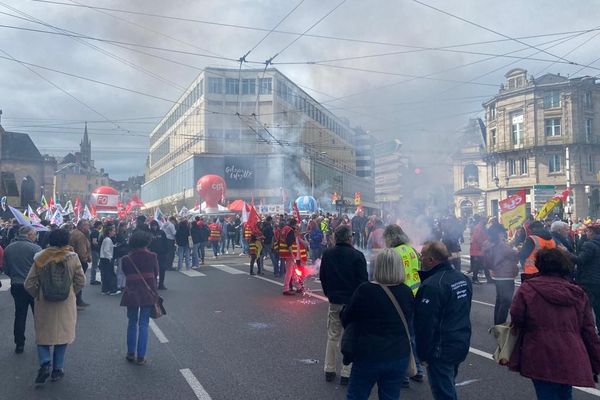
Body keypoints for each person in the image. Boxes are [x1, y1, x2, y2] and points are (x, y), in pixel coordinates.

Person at [509, 248, 600, 399]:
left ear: (540, 265)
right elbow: (589, 331)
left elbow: (517, 318)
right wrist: (595, 361)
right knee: (565, 393)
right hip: (571, 351)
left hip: (539, 350)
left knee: (546, 394)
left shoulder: (528, 289)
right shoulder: (577, 293)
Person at [341, 248, 414, 399]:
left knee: (356, 395)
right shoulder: (406, 291)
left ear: (377, 267)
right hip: (398, 354)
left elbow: (347, 318)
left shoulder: (365, 290)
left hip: (368, 354)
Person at [24, 228, 86, 385]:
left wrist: (38, 295)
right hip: (66, 302)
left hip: (44, 302)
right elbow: (81, 280)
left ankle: (45, 362)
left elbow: (29, 283)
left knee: (43, 335)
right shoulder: (72, 257)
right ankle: (57, 369)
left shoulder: (41, 257)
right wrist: (71, 292)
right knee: (63, 336)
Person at [414, 241, 472, 400]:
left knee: (444, 393)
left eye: (423, 257)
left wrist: (423, 354)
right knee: (448, 384)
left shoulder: (432, 285)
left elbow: (425, 324)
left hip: (441, 349)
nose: (421, 260)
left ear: (431, 260)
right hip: (460, 342)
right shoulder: (463, 279)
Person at [320, 225, 368, 386]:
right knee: (351, 336)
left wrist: (329, 294)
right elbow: (363, 283)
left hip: (335, 300)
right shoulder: (357, 255)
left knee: (333, 335)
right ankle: (346, 373)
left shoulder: (328, 254)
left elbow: (323, 278)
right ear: (349, 238)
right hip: (352, 302)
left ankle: (329, 369)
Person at [383, 224, 424, 386]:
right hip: (417, 295)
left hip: (400, 297)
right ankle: (418, 370)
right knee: (413, 336)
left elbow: (389, 278)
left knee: (400, 337)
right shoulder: (412, 250)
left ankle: (404, 375)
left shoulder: (392, 254)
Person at [120, 230, 159, 366]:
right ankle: (141, 356)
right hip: (148, 292)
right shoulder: (152, 256)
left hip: (131, 292)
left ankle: (130, 353)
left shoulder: (126, 258)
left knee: (132, 322)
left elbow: (125, 273)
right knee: (144, 323)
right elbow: (156, 273)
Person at [3, 225, 42, 353]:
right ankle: (42, 340)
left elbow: (6, 268)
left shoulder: (8, 248)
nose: (36, 237)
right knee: (39, 315)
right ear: (29, 235)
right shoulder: (36, 248)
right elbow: (41, 269)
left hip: (16, 284)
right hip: (33, 285)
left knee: (20, 314)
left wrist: (15, 276)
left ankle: (19, 343)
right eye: (34, 234)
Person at [483, 224, 518, 325]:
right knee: (505, 302)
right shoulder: (501, 245)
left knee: (499, 300)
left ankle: (497, 324)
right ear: (499, 233)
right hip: (505, 275)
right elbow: (513, 254)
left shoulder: (489, 243)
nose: (504, 234)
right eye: (502, 232)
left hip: (497, 274)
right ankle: (500, 325)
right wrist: (517, 251)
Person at [572, 222, 600, 324]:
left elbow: (580, 260)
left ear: (591, 232)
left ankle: (586, 331)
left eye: (587, 231)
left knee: (585, 308)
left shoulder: (589, 244)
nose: (586, 233)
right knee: (598, 308)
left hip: (589, 281)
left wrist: (565, 252)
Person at [69, 219, 91, 309]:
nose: (88, 227)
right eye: (87, 225)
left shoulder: (73, 232)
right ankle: (77, 300)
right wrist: (85, 258)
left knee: (74, 280)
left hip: (72, 258)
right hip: (79, 260)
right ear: (82, 226)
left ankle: (77, 300)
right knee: (79, 280)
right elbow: (82, 251)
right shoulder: (80, 235)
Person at [280, 218, 301, 295]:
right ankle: (286, 289)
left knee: (292, 271)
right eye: (296, 225)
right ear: (294, 224)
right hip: (289, 254)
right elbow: (289, 243)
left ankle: (298, 287)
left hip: (285, 253)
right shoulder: (290, 231)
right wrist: (292, 254)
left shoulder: (285, 228)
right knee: (289, 272)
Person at [469, 215, 491, 284]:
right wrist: (483, 246)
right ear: (482, 220)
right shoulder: (479, 227)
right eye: (485, 220)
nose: (486, 221)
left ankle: (489, 278)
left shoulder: (482, 227)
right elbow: (477, 238)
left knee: (485, 264)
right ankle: (474, 279)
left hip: (481, 249)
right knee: (477, 265)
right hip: (477, 249)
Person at [99, 225, 120, 295]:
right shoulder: (108, 240)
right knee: (111, 274)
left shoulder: (106, 239)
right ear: (109, 232)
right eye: (113, 231)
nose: (114, 232)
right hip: (107, 258)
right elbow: (106, 250)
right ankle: (112, 290)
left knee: (105, 274)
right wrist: (110, 257)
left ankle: (105, 289)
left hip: (103, 258)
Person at [149, 221, 168, 289]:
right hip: (152, 254)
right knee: (153, 270)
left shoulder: (161, 232)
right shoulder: (149, 233)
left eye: (155, 225)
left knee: (162, 269)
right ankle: (153, 284)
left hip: (161, 254)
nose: (154, 227)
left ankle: (161, 284)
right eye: (152, 225)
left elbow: (165, 242)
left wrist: (166, 251)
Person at [89, 220, 102, 285]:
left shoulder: (94, 232)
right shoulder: (95, 232)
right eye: (100, 225)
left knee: (95, 265)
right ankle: (92, 280)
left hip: (94, 250)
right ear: (98, 225)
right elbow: (94, 242)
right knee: (94, 266)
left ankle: (93, 279)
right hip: (95, 250)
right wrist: (100, 245)